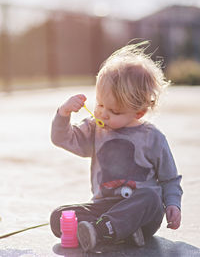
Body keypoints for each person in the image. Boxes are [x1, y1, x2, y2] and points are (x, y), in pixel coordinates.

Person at [50, 41, 183, 252]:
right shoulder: (95, 129)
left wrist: (173, 204)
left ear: (138, 113)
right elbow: (63, 139)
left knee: (151, 197)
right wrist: (63, 114)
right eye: (100, 104)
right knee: (59, 216)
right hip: (104, 207)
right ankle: (116, 233)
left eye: (114, 111)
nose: (102, 113)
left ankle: (103, 232)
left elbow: (169, 178)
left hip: (141, 212)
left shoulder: (152, 138)